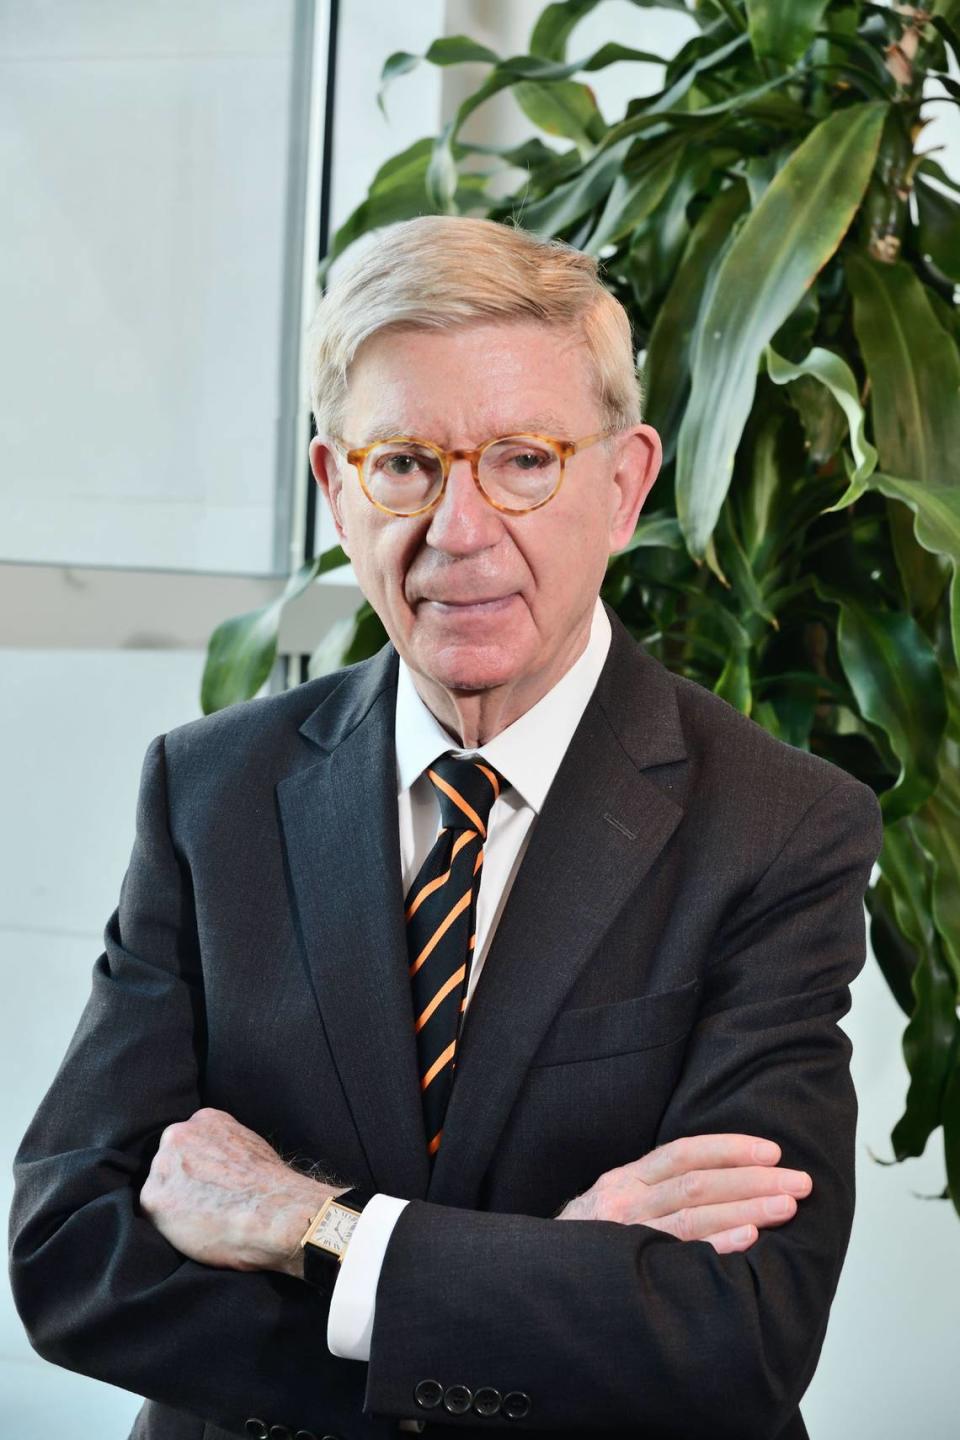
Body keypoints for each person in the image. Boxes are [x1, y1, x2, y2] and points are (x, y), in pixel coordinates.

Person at [9, 215, 883, 1440]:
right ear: (335, 487)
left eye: (523, 459)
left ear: (625, 484)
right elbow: (69, 1250)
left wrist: (307, 1228)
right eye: (406, 464)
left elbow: (738, 1328)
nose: (460, 532)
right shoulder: (211, 793)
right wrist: (533, 1297)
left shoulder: (782, 828)